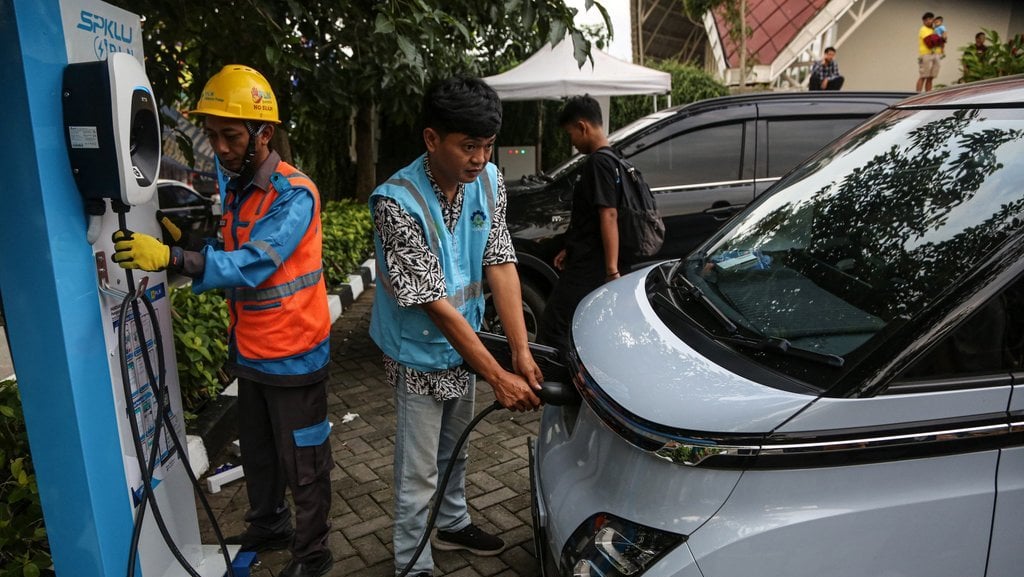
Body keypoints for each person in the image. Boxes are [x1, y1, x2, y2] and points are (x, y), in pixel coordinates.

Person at [111, 65, 334, 577]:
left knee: (304, 464)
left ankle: (314, 554)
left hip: (295, 353)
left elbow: (256, 262)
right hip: (252, 351)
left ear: (264, 133)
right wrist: (189, 245)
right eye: (213, 136)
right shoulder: (236, 188)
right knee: (258, 454)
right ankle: (269, 524)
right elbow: (229, 251)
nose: (220, 147)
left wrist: (174, 261)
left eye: (230, 135)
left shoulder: (293, 193)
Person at [368, 76, 543, 577]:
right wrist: (497, 375)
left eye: (487, 146)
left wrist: (521, 351)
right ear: (431, 139)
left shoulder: (487, 181)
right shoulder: (394, 203)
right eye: (468, 147)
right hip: (418, 352)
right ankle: (412, 563)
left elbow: (500, 260)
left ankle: (452, 522)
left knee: (456, 448)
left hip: (465, 346)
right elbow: (433, 304)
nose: (481, 159)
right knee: (418, 471)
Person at [536, 95, 628, 353]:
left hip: (590, 267)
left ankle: (559, 385)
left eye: (570, 134)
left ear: (583, 126)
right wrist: (571, 247)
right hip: (588, 259)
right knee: (581, 326)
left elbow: (608, 215)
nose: (572, 142)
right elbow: (591, 219)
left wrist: (611, 271)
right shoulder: (614, 160)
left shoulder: (598, 163)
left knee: (554, 326)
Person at [918, 11, 942, 92]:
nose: (929, 21)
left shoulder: (936, 29)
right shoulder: (923, 29)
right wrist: (938, 39)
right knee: (923, 76)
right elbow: (929, 43)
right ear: (924, 21)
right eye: (926, 20)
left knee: (931, 76)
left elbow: (943, 40)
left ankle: (927, 95)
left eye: (931, 19)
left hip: (936, 54)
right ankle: (917, 95)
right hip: (926, 55)